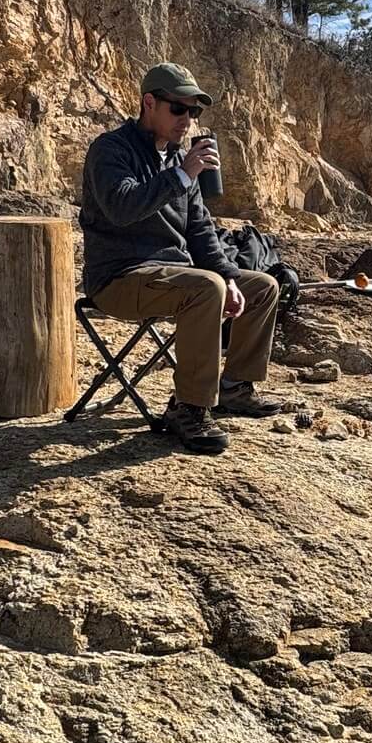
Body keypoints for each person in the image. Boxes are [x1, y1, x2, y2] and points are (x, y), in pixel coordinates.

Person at [79, 62, 283, 452]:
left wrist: (228, 276)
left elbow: (201, 231)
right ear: (149, 103)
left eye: (194, 112)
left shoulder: (177, 160)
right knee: (204, 288)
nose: (187, 120)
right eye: (178, 109)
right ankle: (189, 408)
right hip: (119, 278)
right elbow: (121, 207)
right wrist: (183, 176)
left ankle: (235, 387)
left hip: (173, 277)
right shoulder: (110, 150)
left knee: (262, 286)